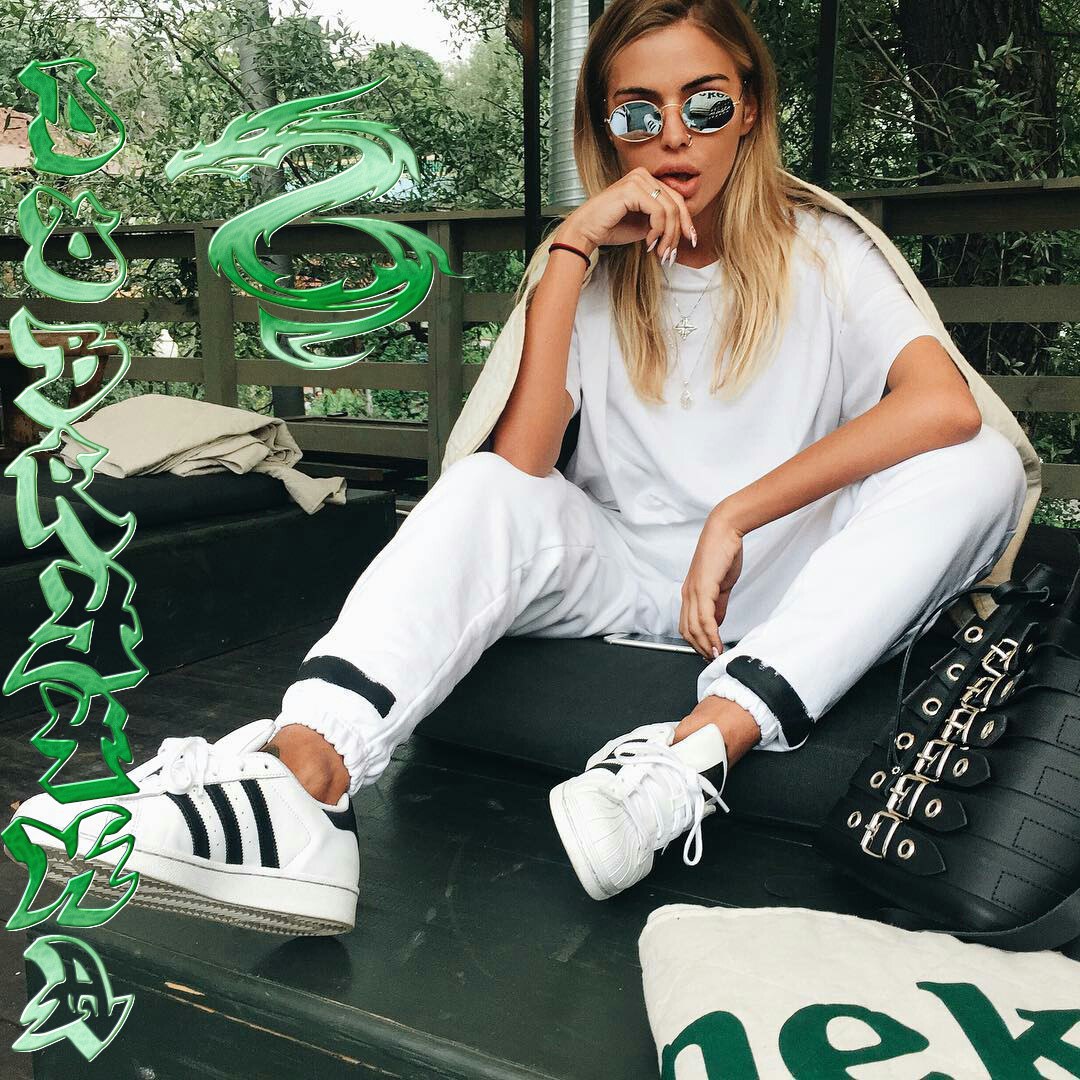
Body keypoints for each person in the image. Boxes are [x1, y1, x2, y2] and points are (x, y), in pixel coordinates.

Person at [11, 0, 1031, 935]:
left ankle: (685, 764)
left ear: (751, 109)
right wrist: (571, 251)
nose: (675, 135)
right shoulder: (591, 266)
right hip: (624, 568)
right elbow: (524, 460)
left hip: (781, 575)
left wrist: (737, 515)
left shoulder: (825, 249)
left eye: (706, 103)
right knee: (488, 486)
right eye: (640, 112)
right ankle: (303, 783)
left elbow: (940, 403)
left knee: (976, 464)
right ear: (609, 129)